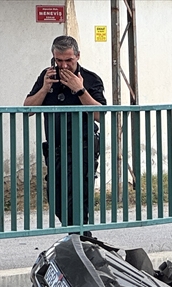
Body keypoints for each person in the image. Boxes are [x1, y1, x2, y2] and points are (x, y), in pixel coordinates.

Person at [25, 36, 107, 227]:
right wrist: (45, 88)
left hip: (83, 147)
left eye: (69, 60)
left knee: (78, 200)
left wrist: (79, 90)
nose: (64, 65)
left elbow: (100, 115)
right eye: (58, 60)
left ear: (77, 56)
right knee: (56, 199)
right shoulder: (47, 76)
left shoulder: (91, 79)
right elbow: (27, 108)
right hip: (56, 148)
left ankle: (79, 240)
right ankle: (78, 238)